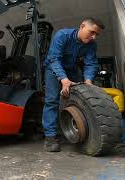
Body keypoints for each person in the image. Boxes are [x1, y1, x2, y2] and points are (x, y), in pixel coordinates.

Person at [42, 17, 105, 152]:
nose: (94, 37)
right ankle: (50, 137)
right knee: (52, 101)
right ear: (82, 26)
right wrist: (63, 79)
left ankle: (74, 128)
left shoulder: (91, 44)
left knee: (79, 97)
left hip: (71, 68)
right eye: (92, 32)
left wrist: (88, 81)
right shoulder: (63, 35)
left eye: (96, 34)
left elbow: (91, 63)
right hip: (53, 68)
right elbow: (54, 58)